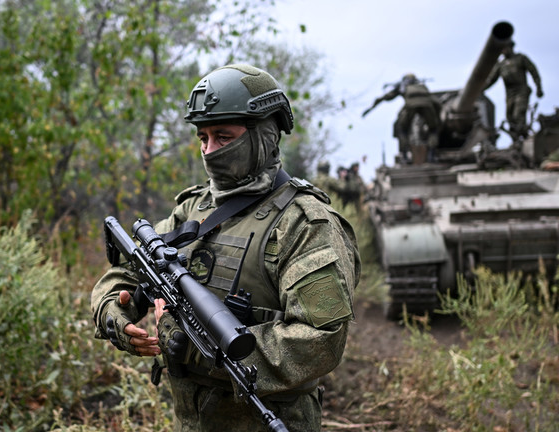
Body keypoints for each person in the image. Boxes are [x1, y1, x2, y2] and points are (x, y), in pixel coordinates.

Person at [91, 64, 361, 431]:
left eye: (223, 136)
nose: (209, 150)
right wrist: (114, 312)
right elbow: (127, 272)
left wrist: (198, 350)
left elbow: (320, 340)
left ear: (264, 135)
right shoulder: (194, 208)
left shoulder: (304, 222)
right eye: (203, 138)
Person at [362, 73, 441, 164]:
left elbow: (387, 97)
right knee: (433, 129)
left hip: (411, 106)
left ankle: (404, 155)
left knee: (401, 129)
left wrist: (372, 106)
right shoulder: (422, 86)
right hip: (427, 106)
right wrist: (437, 119)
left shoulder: (403, 85)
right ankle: (432, 154)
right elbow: (436, 102)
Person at [484, 41, 544, 139]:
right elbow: (491, 80)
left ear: (510, 47)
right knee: (510, 118)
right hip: (510, 94)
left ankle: (524, 137)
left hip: (522, 91)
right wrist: (481, 90)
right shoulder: (501, 64)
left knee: (518, 115)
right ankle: (516, 140)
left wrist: (539, 87)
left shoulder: (520, 58)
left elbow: (534, 72)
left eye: (504, 48)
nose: (503, 51)